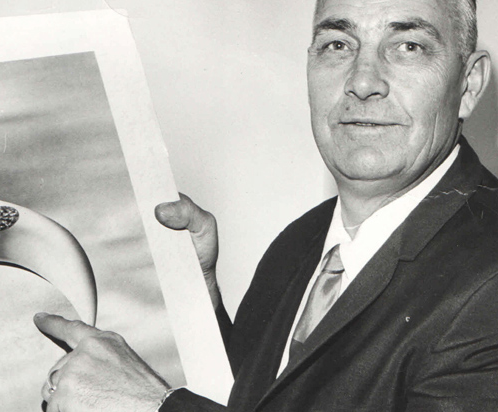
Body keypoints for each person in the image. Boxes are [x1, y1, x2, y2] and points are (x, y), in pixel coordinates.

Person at [33, 0, 498, 410]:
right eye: (338, 44)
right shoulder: (302, 241)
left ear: (469, 84)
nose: (362, 81)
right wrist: (193, 307)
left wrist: (154, 407)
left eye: (408, 47)